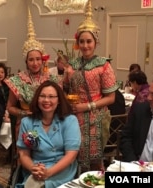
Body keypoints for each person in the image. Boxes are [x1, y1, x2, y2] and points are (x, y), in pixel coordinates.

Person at [63, 0, 118, 171]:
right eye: (82, 41)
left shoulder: (104, 65)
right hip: (74, 116)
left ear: (96, 42)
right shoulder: (71, 64)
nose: (85, 45)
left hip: (96, 116)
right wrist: (66, 80)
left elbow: (111, 98)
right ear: (78, 43)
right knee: (73, 154)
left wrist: (86, 106)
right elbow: (64, 90)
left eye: (89, 41)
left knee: (94, 160)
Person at [16, 80, 81, 188]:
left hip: (61, 168)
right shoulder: (28, 123)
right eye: (42, 96)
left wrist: (49, 172)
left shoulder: (69, 121)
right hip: (37, 168)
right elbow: (24, 154)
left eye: (51, 96)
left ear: (58, 100)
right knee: (33, 183)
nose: (46, 100)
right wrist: (33, 168)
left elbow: (71, 154)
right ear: (37, 99)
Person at [4, 9, 57, 140]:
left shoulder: (51, 78)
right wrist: (24, 113)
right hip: (26, 124)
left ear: (42, 60)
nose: (35, 63)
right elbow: (10, 107)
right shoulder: (17, 80)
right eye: (31, 59)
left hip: (49, 122)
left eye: (38, 59)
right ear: (26, 61)